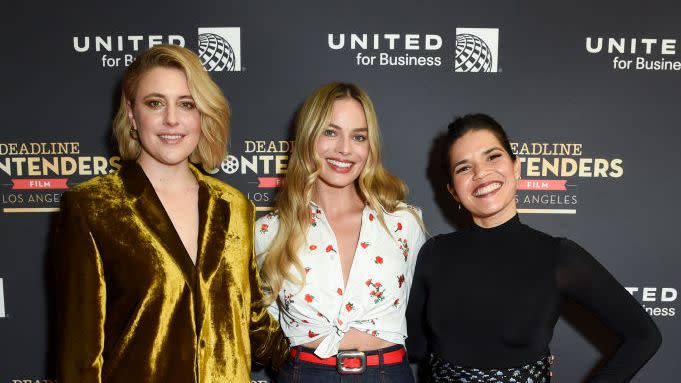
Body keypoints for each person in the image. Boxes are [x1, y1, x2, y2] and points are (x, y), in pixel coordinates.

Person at [54, 44, 288, 383]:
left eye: (186, 104)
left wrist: (324, 352)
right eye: (154, 103)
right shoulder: (93, 207)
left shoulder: (235, 205)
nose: (172, 119)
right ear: (132, 115)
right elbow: (79, 359)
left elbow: (251, 318)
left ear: (202, 114)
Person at [407, 113, 661, 382]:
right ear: (453, 191)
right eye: (463, 167)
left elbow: (644, 336)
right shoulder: (434, 253)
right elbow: (415, 347)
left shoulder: (557, 256)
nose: (481, 173)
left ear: (516, 167)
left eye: (492, 156)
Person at [255, 82, 426, 382]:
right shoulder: (268, 231)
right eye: (330, 132)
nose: (345, 149)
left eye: (358, 136)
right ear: (308, 137)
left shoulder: (403, 223)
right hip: (304, 374)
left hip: (388, 373)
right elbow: (264, 327)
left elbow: (417, 309)